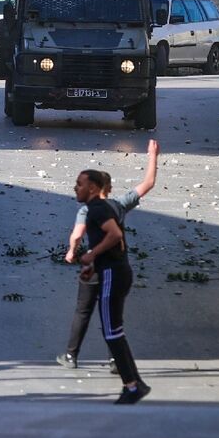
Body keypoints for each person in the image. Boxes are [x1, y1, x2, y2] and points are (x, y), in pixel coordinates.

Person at [57, 139, 159, 372]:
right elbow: (149, 183)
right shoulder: (119, 205)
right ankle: (115, 358)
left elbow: (76, 235)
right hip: (118, 269)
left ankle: (71, 355)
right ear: (109, 188)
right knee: (114, 315)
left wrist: (73, 252)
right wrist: (153, 155)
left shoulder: (87, 209)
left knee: (83, 311)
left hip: (96, 270)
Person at [75, 169, 150, 404]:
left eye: (80, 184)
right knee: (115, 332)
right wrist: (92, 264)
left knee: (112, 333)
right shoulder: (99, 209)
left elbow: (115, 235)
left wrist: (90, 256)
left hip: (112, 275)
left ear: (94, 188)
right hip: (114, 271)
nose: (76, 188)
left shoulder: (97, 209)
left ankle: (132, 386)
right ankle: (136, 383)